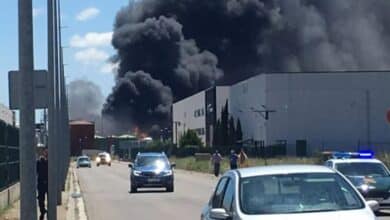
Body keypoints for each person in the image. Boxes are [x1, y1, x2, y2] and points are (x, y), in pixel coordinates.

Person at [37, 148, 48, 220]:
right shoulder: (39, 161)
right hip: (41, 183)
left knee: (46, 198)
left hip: (48, 183)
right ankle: (42, 211)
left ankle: (45, 211)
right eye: (45, 152)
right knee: (41, 199)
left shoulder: (51, 161)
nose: (46, 153)